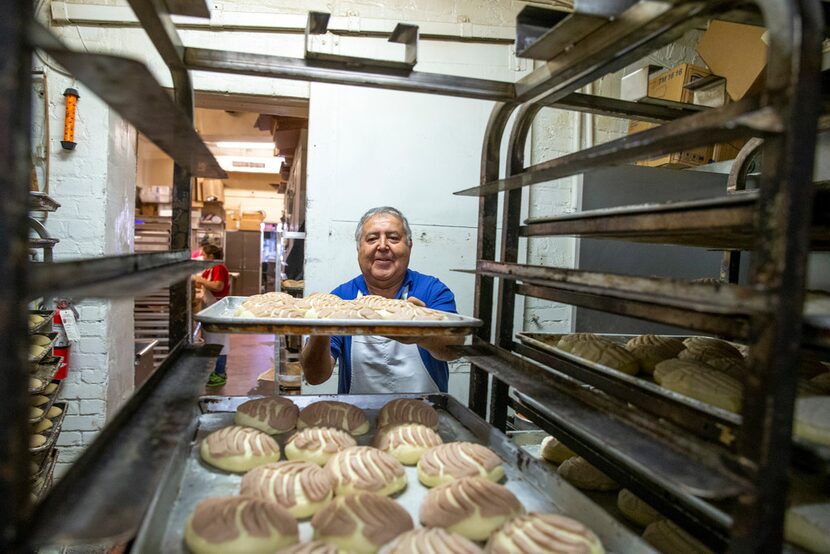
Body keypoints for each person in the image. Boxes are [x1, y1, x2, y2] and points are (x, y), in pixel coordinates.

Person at [300, 207, 463, 394]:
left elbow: (454, 349)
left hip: (424, 414)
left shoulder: (432, 290)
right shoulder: (340, 299)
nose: (383, 246)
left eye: (393, 238)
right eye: (372, 239)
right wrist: (319, 329)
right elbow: (315, 377)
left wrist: (423, 334)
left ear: (409, 246)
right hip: (359, 417)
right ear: (359, 248)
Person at [193, 244, 231, 387]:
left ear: (210, 256)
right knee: (211, 341)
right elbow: (201, 284)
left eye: (203, 254)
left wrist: (199, 279)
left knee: (219, 342)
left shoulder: (219, 267)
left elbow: (218, 286)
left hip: (218, 309)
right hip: (210, 308)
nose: (201, 257)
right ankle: (215, 371)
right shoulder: (210, 268)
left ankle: (220, 374)